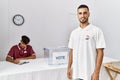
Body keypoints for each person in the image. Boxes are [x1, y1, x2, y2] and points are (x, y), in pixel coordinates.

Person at [67, 4, 106, 80]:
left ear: (89, 14)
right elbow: (71, 51)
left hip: (90, 73)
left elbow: (100, 52)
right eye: (80, 13)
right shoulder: (73, 33)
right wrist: (69, 67)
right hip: (76, 73)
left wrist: (96, 72)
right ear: (77, 15)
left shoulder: (96, 31)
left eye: (85, 13)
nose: (82, 15)